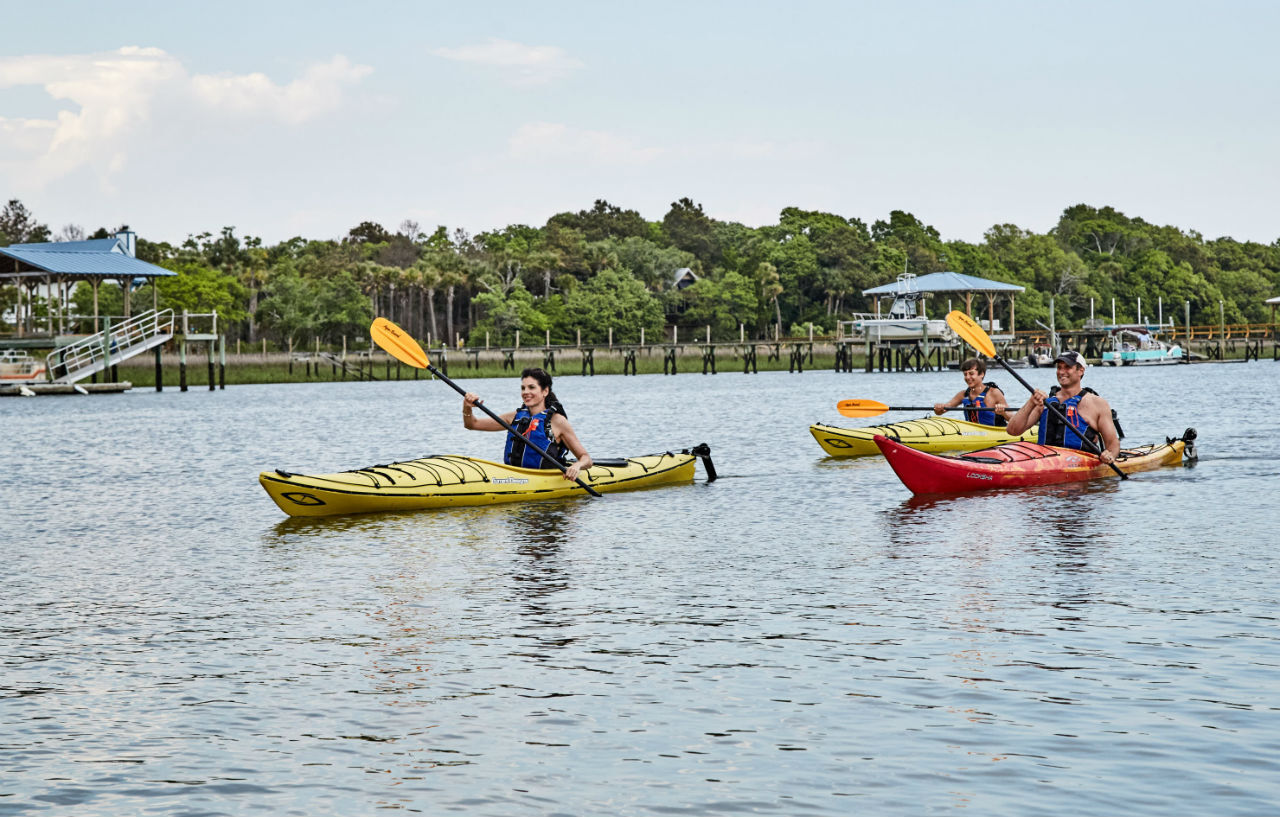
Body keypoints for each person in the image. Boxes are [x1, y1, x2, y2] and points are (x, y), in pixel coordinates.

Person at [462, 367, 594, 481]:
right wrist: (467, 407)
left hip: (545, 479)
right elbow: (472, 424)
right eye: (523, 388)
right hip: (513, 477)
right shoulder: (514, 417)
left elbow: (586, 459)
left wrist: (576, 466)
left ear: (545, 391)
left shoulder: (557, 421)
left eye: (531, 387)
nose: (525, 392)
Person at [1005, 350, 1121, 464]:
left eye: (1067, 367)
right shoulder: (1045, 403)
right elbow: (1013, 431)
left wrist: (1109, 454)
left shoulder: (1097, 404)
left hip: (1080, 465)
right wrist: (1030, 402)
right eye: (1059, 367)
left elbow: (1113, 444)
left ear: (1080, 370)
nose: (1061, 371)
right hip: (1044, 462)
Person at [933, 358, 1009, 426]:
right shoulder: (963, 394)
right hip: (973, 434)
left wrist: (1003, 412)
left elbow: (1011, 418)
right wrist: (939, 408)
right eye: (965, 374)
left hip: (994, 434)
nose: (967, 377)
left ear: (981, 374)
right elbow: (942, 411)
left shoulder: (994, 393)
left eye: (971, 374)